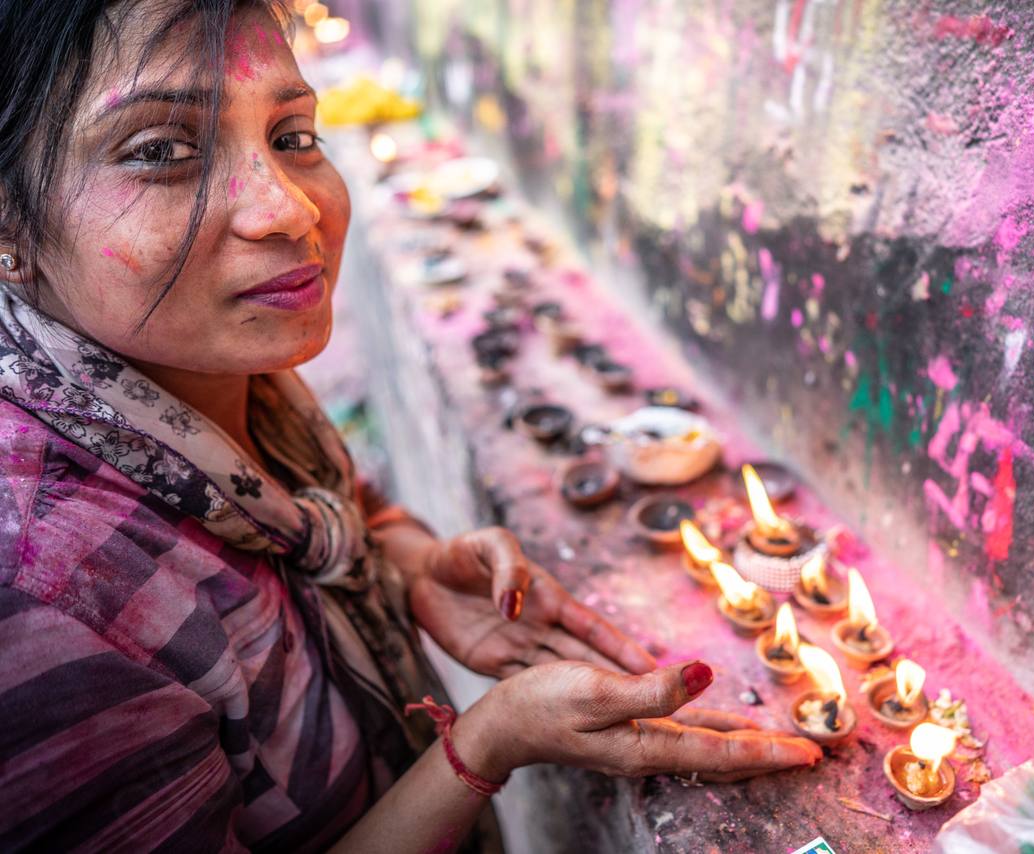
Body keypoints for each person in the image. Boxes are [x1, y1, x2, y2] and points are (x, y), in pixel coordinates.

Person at [0, 1, 823, 850]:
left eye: (292, 136)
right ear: (9, 224)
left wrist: (405, 560)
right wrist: (488, 744)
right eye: (161, 153)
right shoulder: (44, 606)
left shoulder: (201, 379)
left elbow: (297, 509)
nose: (287, 211)